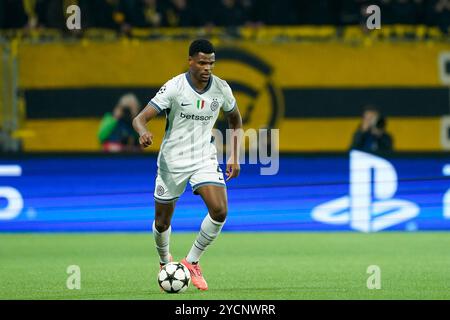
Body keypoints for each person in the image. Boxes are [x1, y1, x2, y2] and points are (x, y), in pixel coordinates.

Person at [132, 39, 243, 291]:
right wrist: (143, 132)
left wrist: (234, 156)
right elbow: (140, 118)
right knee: (162, 222)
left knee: (220, 210)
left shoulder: (222, 89)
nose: (207, 68)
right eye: (202, 62)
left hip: (204, 157)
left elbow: (236, 122)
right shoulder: (175, 87)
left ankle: (192, 261)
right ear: (190, 61)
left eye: (211, 63)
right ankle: (164, 262)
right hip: (172, 161)